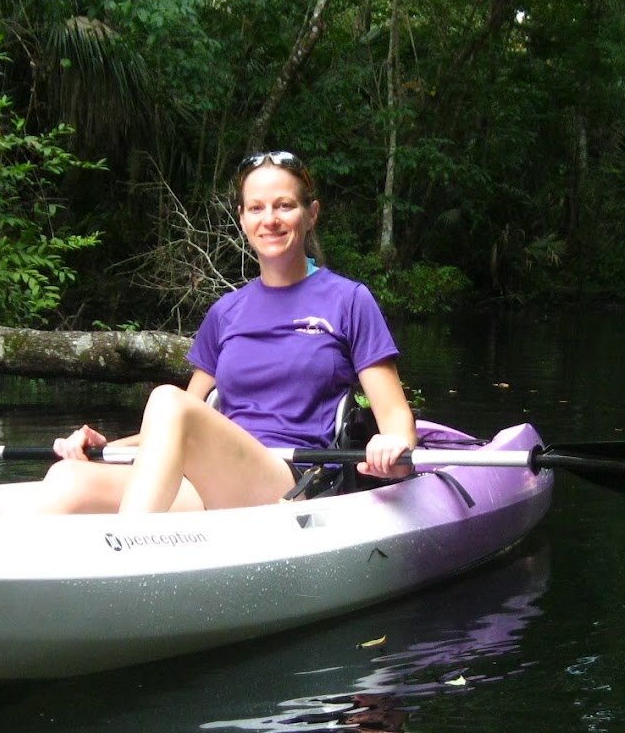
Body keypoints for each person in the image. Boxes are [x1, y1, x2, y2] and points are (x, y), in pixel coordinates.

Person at [37, 151, 417, 514]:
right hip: (216, 480)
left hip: (291, 481)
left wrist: (393, 446)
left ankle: (129, 557)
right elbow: (174, 425)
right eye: (256, 208)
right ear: (242, 218)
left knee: (168, 400)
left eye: (284, 205)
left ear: (311, 214)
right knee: (68, 477)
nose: (270, 219)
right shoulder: (226, 312)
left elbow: (395, 414)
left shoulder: (349, 300)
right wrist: (104, 447)